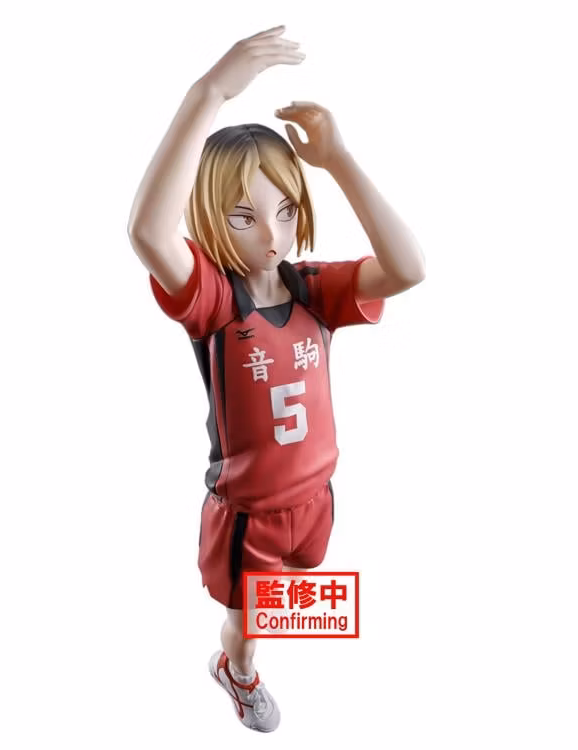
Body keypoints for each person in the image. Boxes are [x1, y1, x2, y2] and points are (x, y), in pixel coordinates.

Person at [127, 24, 426, 732]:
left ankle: (256, 638)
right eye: (245, 216)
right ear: (212, 218)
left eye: (285, 210)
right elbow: (148, 232)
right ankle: (237, 670)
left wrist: (339, 160)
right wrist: (209, 92)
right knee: (248, 619)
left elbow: (409, 268)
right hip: (250, 511)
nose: (271, 233)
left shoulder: (314, 288)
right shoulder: (212, 299)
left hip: (317, 495)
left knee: (295, 592)